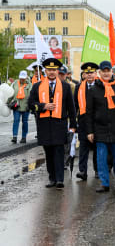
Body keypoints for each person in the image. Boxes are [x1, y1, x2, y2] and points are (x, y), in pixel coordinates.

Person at [28, 58, 76, 190]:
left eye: (54, 70)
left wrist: (73, 125)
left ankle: (60, 179)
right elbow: (30, 105)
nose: (52, 72)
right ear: (45, 71)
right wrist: (43, 106)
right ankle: (52, 178)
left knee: (59, 152)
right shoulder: (37, 86)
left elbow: (71, 108)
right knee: (48, 153)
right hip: (44, 126)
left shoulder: (65, 87)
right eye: (49, 70)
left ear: (57, 71)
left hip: (59, 125)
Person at [86, 61, 115, 193]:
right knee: (101, 158)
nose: (106, 73)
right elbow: (89, 112)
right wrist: (89, 131)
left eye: (108, 70)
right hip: (100, 129)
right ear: (99, 73)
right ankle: (104, 183)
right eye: (103, 71)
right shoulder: (93, 90)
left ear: (112, 72)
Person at [74, 62, 99, 181]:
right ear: (84, 74)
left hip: (97, 121)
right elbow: (75, 105)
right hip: (83, 121)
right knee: (83, 146)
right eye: (87, 73)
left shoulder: (100, 85)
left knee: (97, 147)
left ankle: (98, 170)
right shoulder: (79, 87)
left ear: (95, 73)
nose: (89, 75)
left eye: (91, 72)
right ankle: (83, 171)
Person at [8, 70, 32, 144]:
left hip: (26, 106)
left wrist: (30, 105)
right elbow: (11, 93)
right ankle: (14, 137)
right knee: (16, 121)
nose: (22, 79)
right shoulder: (15, 83)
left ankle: (24, 137)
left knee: (25, 122)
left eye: (23, 78)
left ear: (26, 77)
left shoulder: (29, 85)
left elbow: (31, 96)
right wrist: (8, 102)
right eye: (21, 78)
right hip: (17, 106)